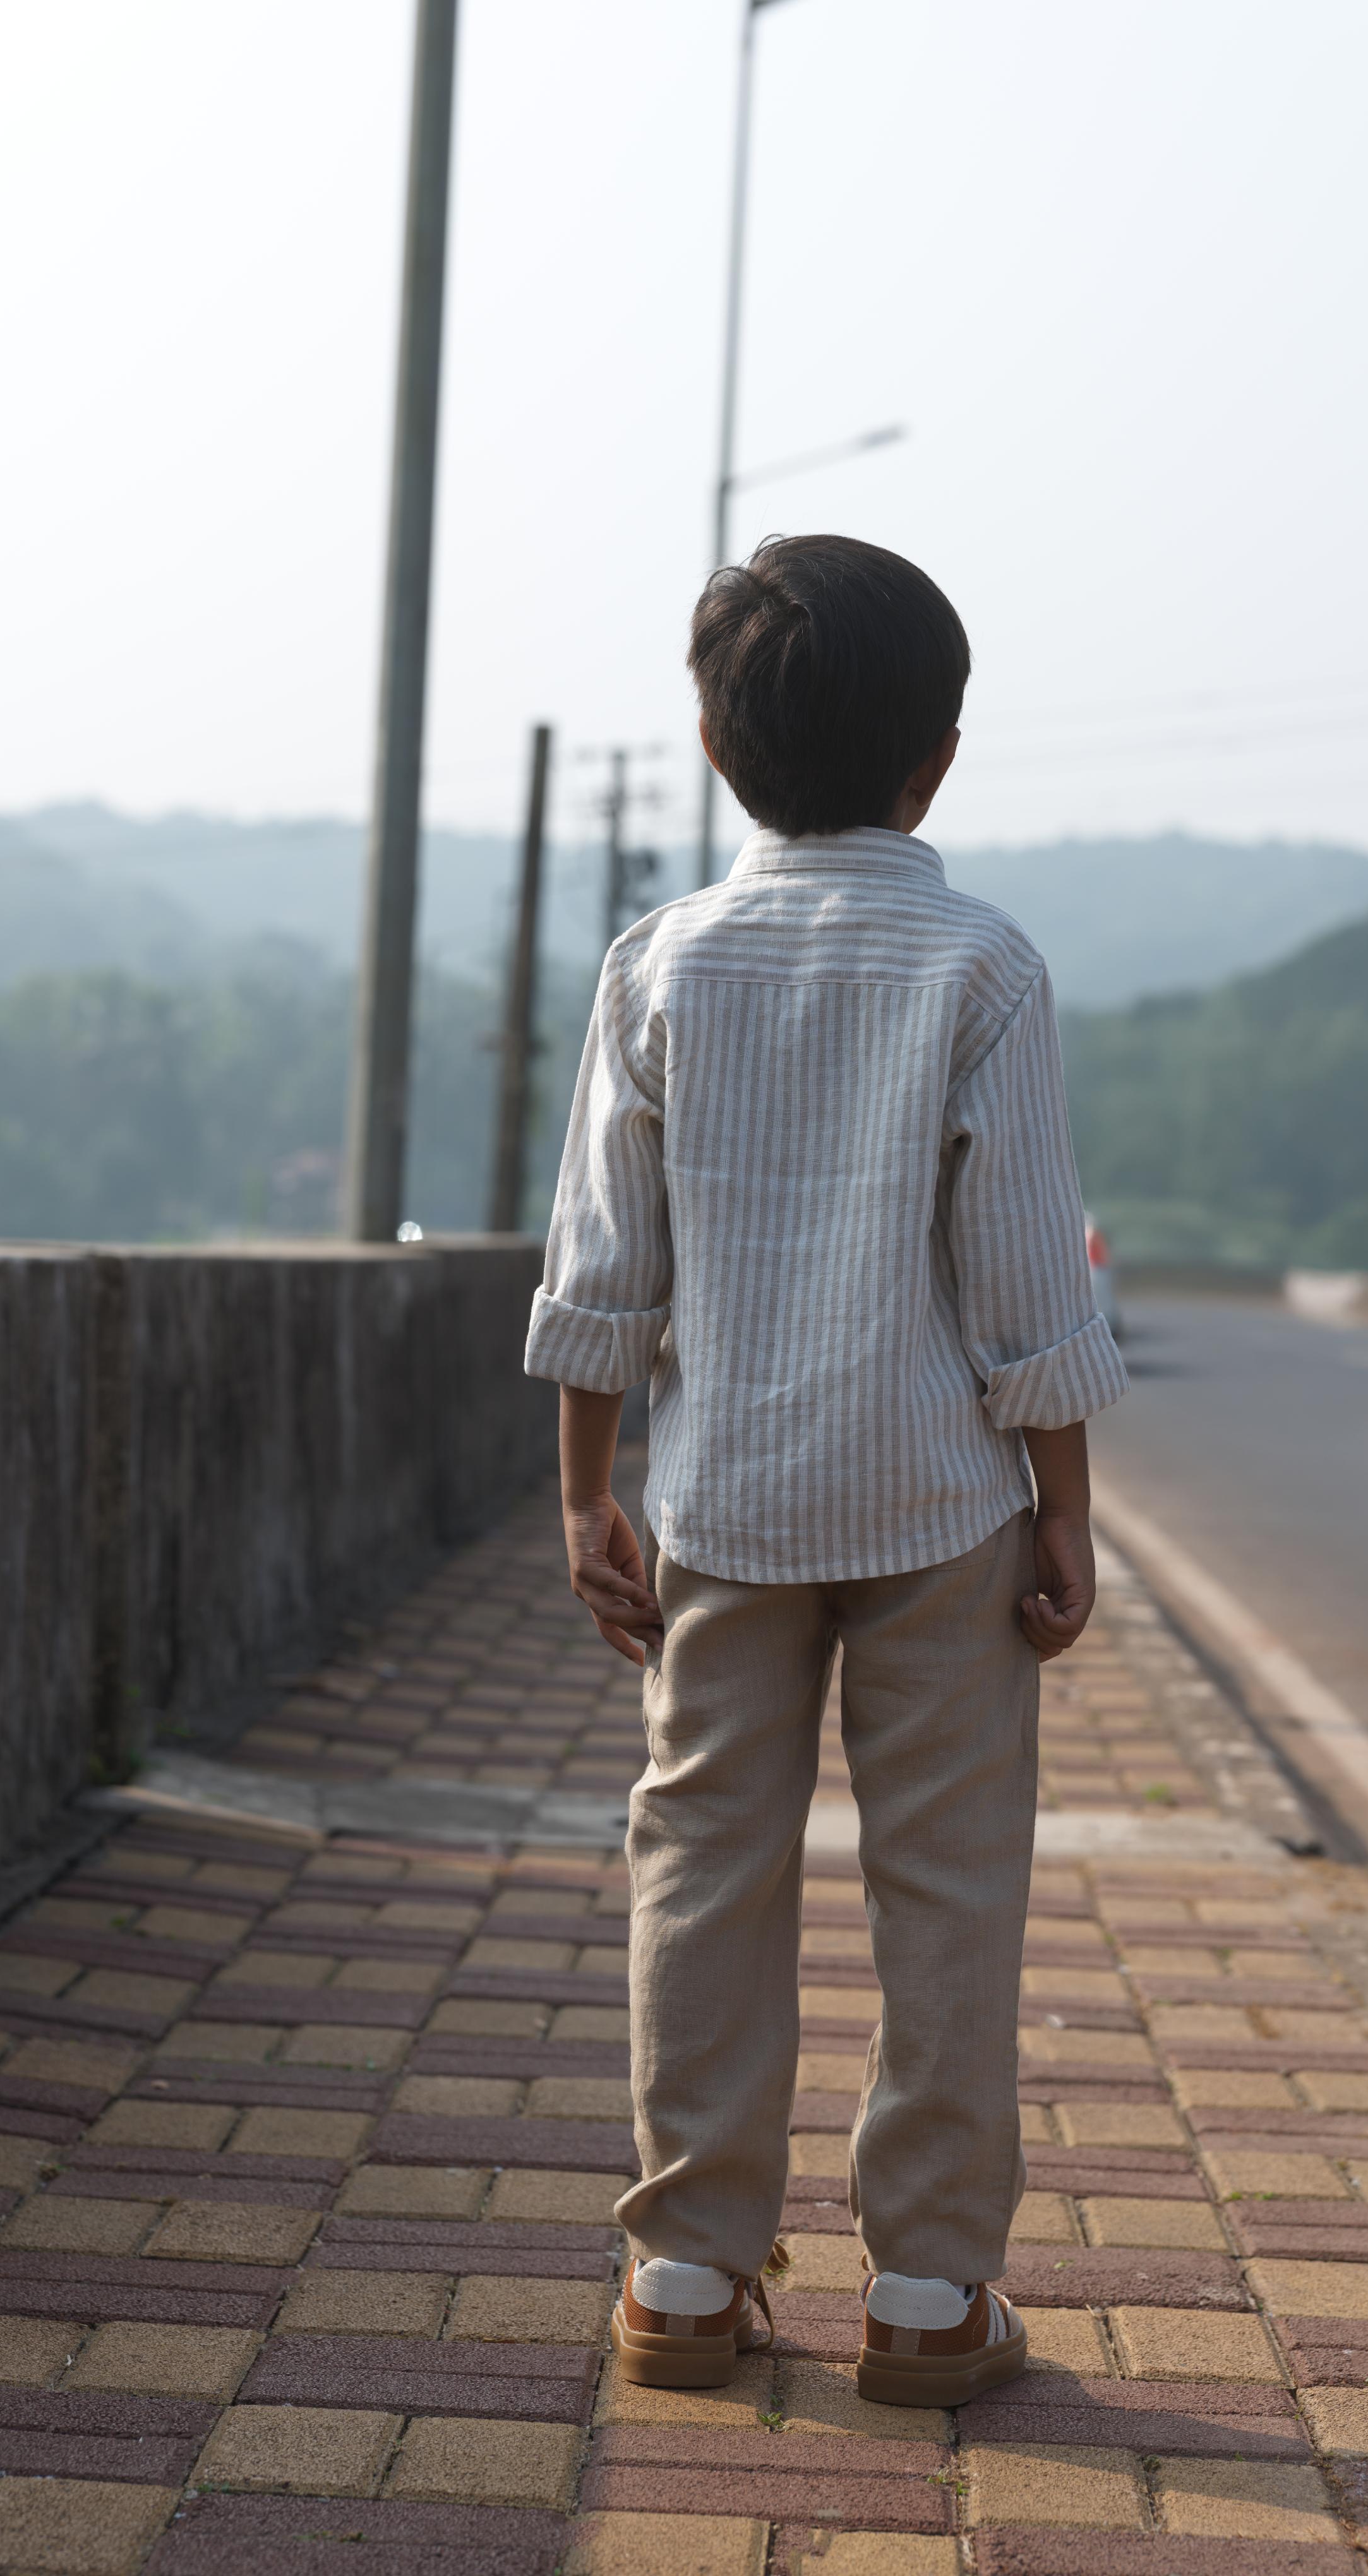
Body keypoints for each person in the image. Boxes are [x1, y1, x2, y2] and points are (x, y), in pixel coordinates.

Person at [524, 534, 1127, 2406]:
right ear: (933, 757)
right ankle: (932, 2298)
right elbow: (1023, 1272)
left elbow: (600, 1267)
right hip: (941, 1504)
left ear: (713, 747)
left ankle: (687, 2274)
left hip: (717, 1506)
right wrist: (1065, 1507)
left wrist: (583, 1491)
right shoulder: (984, 966)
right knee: (948, 1888)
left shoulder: (658, 962)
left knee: (699, 1859)